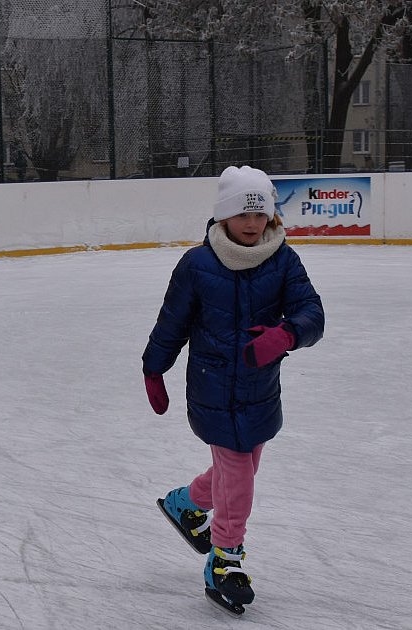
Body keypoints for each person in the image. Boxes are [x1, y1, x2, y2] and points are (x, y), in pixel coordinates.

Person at [145, 165, 324, 614]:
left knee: (239, 471)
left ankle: (185, 503)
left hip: (261, 390)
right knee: (239, 476)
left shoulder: (283, 259)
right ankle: (225, 561)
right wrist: (154, 367)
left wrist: (287, 335)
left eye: (259, 214)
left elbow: (311, 311)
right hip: (212, 389)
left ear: (270, 217)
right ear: (223, 216)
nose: (251, 224)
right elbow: (173, 322)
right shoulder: (198, 264)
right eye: (242, 215)